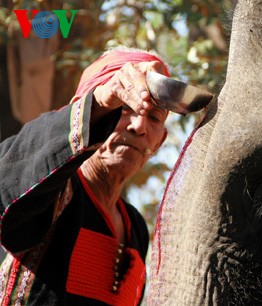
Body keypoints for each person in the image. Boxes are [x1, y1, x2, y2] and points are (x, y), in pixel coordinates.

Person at [0, 48, 170, 305]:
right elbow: (6, 182)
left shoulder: (135, 227)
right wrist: (102, 101)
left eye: (154, 117)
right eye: (123, 108)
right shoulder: (53, 193)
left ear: (160, 142)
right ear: (83, 115)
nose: (139, 126)